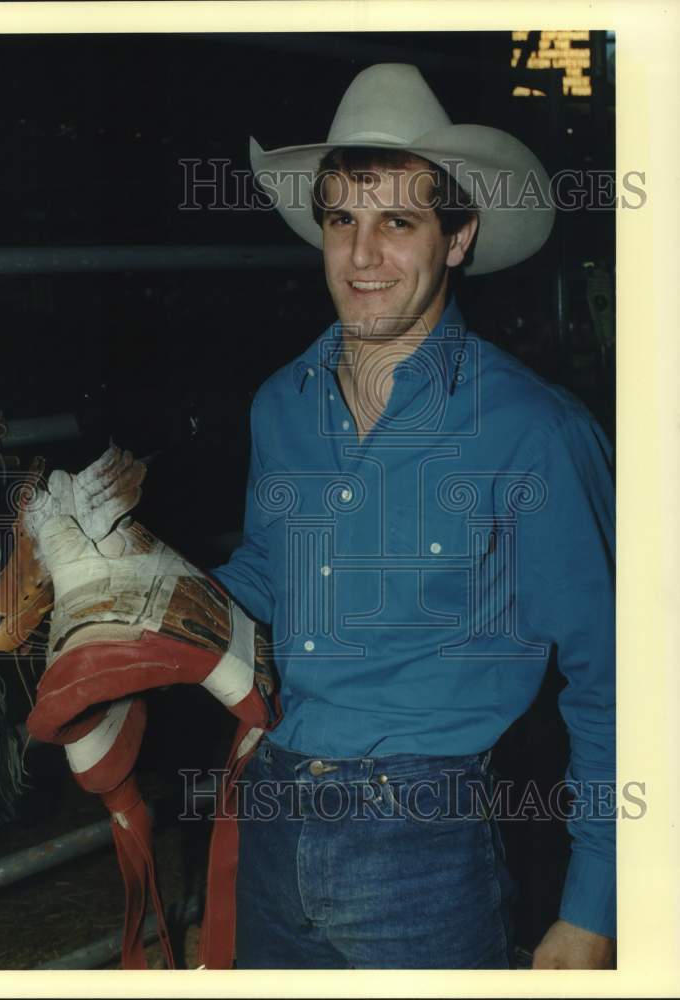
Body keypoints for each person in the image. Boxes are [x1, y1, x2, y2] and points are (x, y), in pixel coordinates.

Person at [210, 63, 615, 970]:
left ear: (458, 237)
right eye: (342, 219)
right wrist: (145, 593)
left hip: (423, 841)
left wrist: (594, 905)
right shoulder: (281, 404)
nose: (361, 256)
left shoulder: (532, 430)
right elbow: (271, 574)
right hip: (271, 812)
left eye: (398, 220)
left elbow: (617, 678)